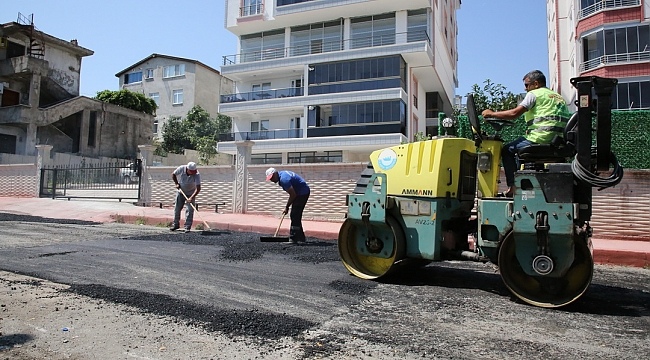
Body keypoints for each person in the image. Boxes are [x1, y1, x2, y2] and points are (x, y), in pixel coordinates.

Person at [481, 70, 571, 197]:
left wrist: (491, 114)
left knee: (508, 150)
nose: (525, 88)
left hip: (540, 138)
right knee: (518, 151)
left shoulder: (534, 94)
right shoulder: (558, 97)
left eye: (527, 85)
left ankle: (513, 188)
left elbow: (514, 114)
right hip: (557, 141)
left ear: (536, 83)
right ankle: (522, 183)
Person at [265, 167, 310, 243]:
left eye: (272, 177)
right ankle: (300, 237)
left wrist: (286, 207)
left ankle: (294, 238)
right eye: (270, 178)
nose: (272, 180)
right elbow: (293, 194)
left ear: (275, 174)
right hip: (300, 193)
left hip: (302, 193)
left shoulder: (284, 180)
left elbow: (293, 195)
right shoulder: (282, 175)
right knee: (296, 215)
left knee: (295, 215)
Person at [170, 162, 201, 232]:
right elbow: (173, 174)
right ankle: (175, 224)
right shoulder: (181, 168)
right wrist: (176, 183)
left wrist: (191, 197)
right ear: (187, 169)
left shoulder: (197, 174)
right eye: (191, 172)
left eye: (194, 172)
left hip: (191, 193)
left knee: (190, 210)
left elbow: (198, 188)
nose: (193, 173)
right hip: (181, 192)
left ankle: (187, 226)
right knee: (177, 208)